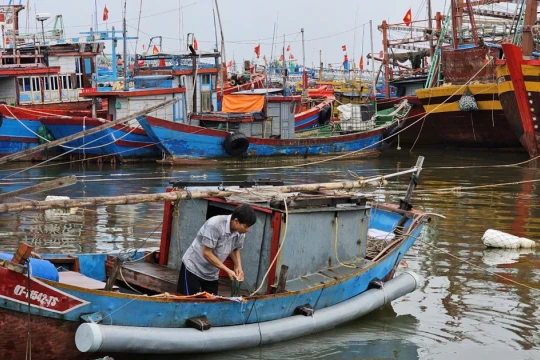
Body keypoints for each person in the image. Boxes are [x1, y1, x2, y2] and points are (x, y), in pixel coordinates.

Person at [177, 204, 257, 295]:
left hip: (212, 274)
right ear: (236, 221)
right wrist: (227, 270)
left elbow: (235, 248)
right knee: (186, 302)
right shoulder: (215, 225)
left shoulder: (240, 232)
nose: (248, 230)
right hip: (193, 268)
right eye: (246, 226)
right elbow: (206, 253)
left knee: (211, 305)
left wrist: (239, 267)